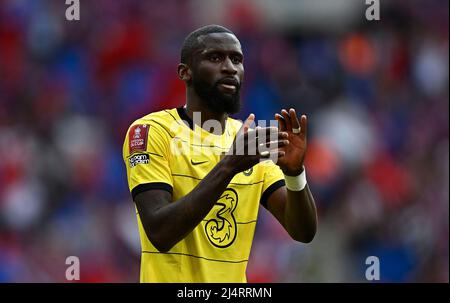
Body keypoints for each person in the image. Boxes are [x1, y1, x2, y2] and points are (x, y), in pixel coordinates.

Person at [123, 24, 318, 283]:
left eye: (236, 59)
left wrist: (295, 174)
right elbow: (160, 232)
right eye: (215, 58)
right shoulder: (152, 132)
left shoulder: (250, 141)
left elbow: (302, 232)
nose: (230, 67)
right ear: (185, 73)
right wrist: (228, 166)